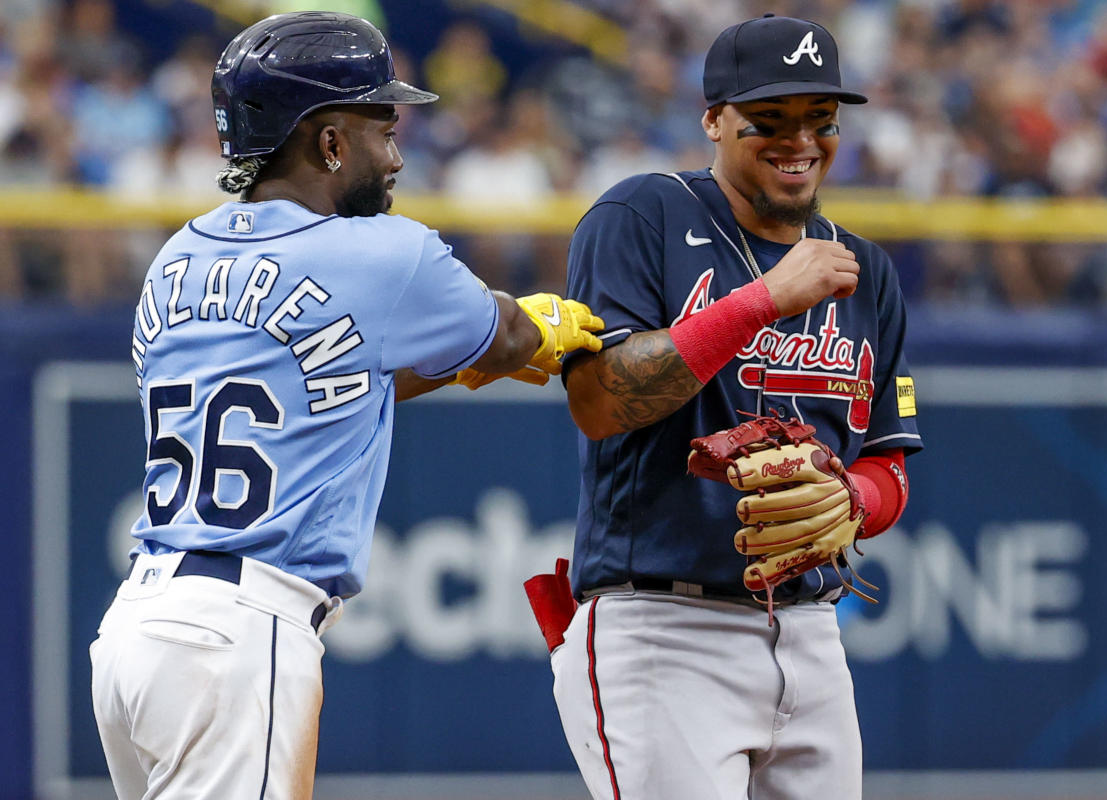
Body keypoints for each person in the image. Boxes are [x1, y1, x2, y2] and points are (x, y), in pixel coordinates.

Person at [88, 12, 601, 800]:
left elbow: (311, 393)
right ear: (329, 143)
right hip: (240, 630)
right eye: (381, 127)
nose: (396, 154)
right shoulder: (383, 251)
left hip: (136, 631)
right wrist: (538, 325)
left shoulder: (174, 256)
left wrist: (443, 369)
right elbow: (505, 336)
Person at [550, 15, 922, 799]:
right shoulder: (643, 215)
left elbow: (889, 459)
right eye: (771, 122)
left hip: (812, 634)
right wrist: (759, 302)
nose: (802, 143)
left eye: (821, 122)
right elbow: (599, 399)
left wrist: (853, 498)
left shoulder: (866, 270)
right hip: (663, 628)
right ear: (713, 120)